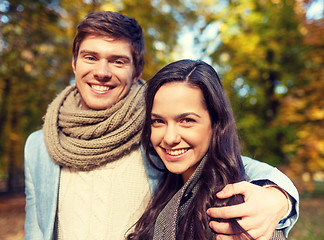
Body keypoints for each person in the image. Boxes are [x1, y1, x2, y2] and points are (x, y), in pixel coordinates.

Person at [24, 11, 298, 240]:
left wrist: (280, 198)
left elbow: (221, 159)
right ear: (74, 63)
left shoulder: (148, 124)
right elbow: (36, 228)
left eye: (118, 61)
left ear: (137, 71)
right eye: (90, 57)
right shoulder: (39, 145)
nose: (102, 72)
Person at [126, 59, 287, 240]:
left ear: (216, 123)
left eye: (186, 120)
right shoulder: (164, 189)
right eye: (158, 121)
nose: (170, 138)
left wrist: (282, 198)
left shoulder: (244, 212)